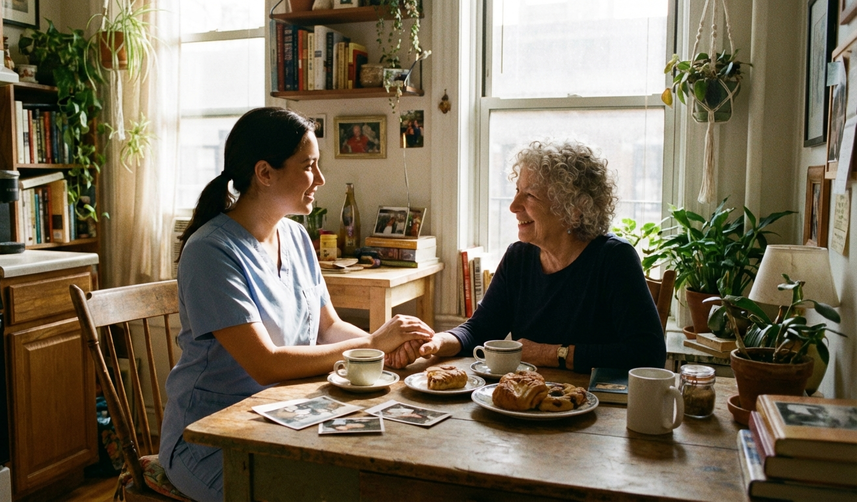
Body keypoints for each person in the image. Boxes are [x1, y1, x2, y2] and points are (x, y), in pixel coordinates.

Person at [160, 107, 434, 502]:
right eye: (309, 166)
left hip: (290, 418)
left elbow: (327, 326)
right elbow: (266, 363)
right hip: (211, 438)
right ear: (265, 173)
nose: (321, 179)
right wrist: (375, 342)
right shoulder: (210, 252)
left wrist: (390, 350)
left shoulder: (296, 236)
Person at [387, 139, 665, 373]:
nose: (513, 206)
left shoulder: (614, 260)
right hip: (526, 401)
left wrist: (550, 353)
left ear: (575, 209)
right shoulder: (518, 258)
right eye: (517, 190)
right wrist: (435, 342)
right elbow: (479, 330)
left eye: (529, 195)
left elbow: (647, 355)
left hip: (597, 416)